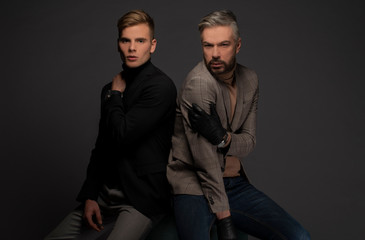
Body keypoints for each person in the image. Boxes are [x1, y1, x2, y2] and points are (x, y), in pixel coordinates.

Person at [167, 10, 310, 240]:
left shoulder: (250, 80)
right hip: (193, 185)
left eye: (223, 45)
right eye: (208, 45)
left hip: (234, 184)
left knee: (298, 236)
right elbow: (206, 162)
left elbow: (249, 142)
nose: (215, 54)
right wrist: (225, 219)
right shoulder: (199, 85)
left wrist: (223, 138)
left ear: (238, 45)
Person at [45, 10, 177, 240]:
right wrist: (90, 195)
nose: (132, 48)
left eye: (140, 41)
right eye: (126, 40)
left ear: (152, 45)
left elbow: (122, 134)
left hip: (141, 199)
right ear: (118, 44)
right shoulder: (109, 89)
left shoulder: (161, 87)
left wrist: (115, 96)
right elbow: (103, 146)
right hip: (105, 196)